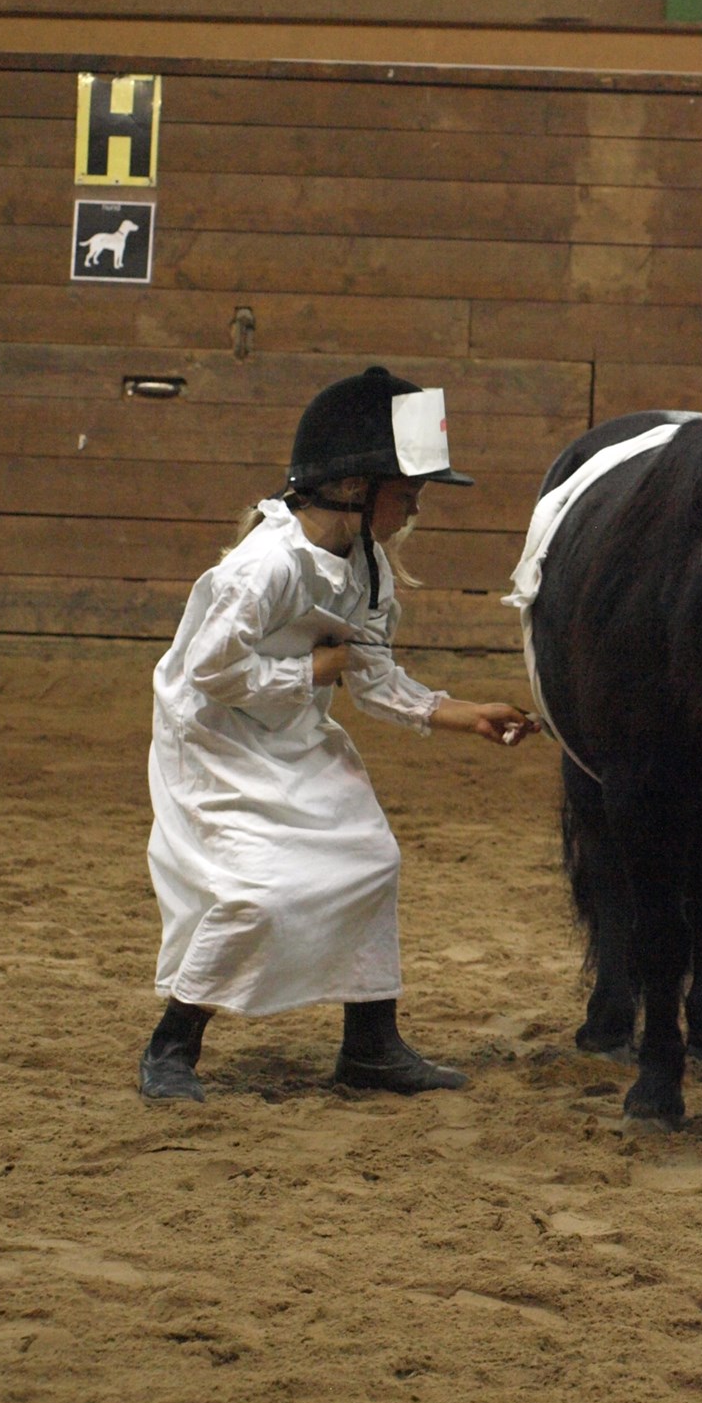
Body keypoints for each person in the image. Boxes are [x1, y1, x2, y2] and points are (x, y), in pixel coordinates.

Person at [138, 366, 531, 1103]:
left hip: (287, 730)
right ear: (355, 485)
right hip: (216, 741)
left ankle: (371, 1047)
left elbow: (372, 676)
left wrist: (465, 714)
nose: (416, 505)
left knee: (369, 856)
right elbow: (211, 674)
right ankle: (172, 1046)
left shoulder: (367, 565)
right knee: (252, 895)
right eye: (407, 490)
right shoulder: (262, 569)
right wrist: (318, 667)